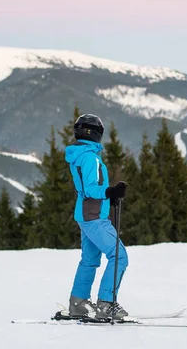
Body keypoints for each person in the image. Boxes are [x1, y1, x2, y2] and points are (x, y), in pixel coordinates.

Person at [64, 113, 129, 320]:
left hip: (86, 214)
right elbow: (92, 188)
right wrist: (110, 192)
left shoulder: (80, 155)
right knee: (119, 256)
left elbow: (85, 189)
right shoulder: (91, 158)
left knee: (90, 260)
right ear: (96, 133)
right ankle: (106, 304)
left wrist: (108, 198)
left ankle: (79, 302)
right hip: (94, 217)